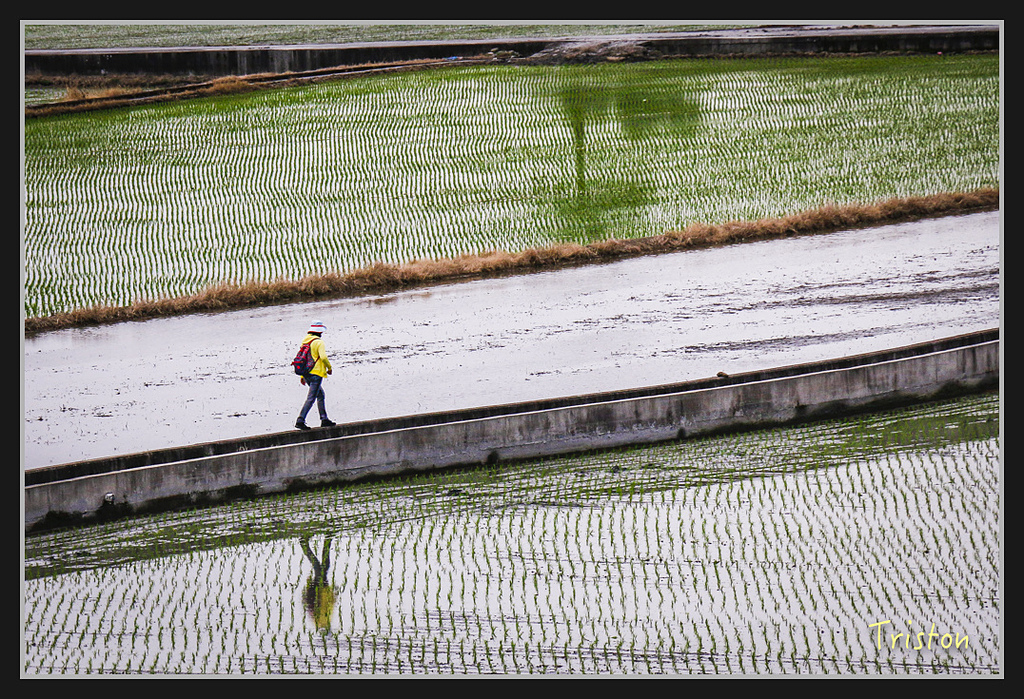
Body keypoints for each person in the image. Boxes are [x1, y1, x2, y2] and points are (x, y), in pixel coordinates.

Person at [295, 321, 336, 430]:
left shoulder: (305, 342)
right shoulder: (319, 342)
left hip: (307, 374)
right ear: (319, 332)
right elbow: (323, 357)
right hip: (316, 374)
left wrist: (302, 376)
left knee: (320, 395)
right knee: (311, 398)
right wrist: (329, 367)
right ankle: (300, 420)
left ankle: (324, 419)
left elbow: (304, 359)